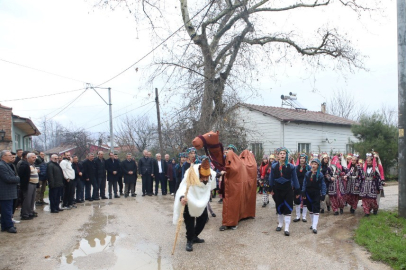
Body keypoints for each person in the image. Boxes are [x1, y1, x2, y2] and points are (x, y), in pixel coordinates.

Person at [173, 156, 216, 252]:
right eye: (203, 177)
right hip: (190, 199)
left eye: (206, 177)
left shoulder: (211, 175)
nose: (205, 179)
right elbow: (183, 187)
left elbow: (212, 182)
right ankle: (189, 240)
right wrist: (181, 198)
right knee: (189, 221)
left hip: (201, 201)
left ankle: (194, 236)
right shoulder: (191, 173)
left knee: (203, 218)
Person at [269, 147, 300, 236]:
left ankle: (286, 228)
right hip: (277, 190)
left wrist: (297, 190)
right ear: (278, 156)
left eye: (284, 153)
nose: (282, 155)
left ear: (286, 155)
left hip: (288, 190)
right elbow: (271, 178)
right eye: (281, 153)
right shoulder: (274, 166)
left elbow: (295, 178)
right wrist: (270, 188)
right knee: (279, 207)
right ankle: (280, 224)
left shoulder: (291, 166)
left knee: (288, 208)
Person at [302, 159, 326, 234]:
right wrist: (303, 192)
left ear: (318, 166)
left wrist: (323, 194)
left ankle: (315, 226)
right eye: (312, 164)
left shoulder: (320, 175)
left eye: (315, 164)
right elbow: (304, 183)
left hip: (316, 193)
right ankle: (312, 223)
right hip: (308, 193)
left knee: (316, 208)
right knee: (310, 208)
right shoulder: (307, 174)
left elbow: (323, 185)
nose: (313, 165)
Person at [0, 150, 20, 233]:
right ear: (3, 157)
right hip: (5, 191)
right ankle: (9, 226)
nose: (11, 156)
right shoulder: (1, 166)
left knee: (6, 209)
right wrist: (17, 178)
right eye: (9, 155)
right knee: (7, 210)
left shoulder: (7, 165)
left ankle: (4, 225)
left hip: (9, 191)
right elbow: (7, 178)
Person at [18, 152, 38, 220]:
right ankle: (25, 214)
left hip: (34, 183)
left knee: (32, 200)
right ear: (28, 158)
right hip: (28, 184)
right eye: (33, 157)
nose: (34, 159)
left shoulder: (33, 165)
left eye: (35, 157)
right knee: (27, 200)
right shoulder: (24, 164)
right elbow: (21, 174)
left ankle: (30, 212)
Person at [293, 153, 311, 222]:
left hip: (305, 186)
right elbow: (294, 177)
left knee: (305, 201)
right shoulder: (295, 168)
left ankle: (304, 216)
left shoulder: (308, 168)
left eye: (303, 158)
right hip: (297, 186)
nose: (302, 159)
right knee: (297, 201)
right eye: (301, 158)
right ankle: (297, 216)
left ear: (305, 159)